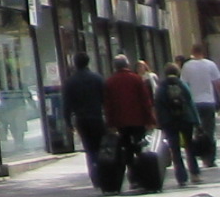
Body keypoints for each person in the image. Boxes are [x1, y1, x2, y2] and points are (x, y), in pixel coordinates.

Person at [103, 54, 156, 183]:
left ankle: (132, 175)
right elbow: (145, 101)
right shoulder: (136, 79)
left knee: (127, 148)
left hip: (120, 121)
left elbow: (108, 105)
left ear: (114, 67)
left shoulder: (110, 82)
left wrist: (110, 123)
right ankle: (142, 174)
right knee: (140, 146)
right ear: (127, 65)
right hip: (138, 120)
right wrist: (150, 119)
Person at [63, 51, 109, 179]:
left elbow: (67, 104)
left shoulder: (70, 82)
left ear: (75, 64)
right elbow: (106, 99)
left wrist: (68, 122)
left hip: (81, 119)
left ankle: (94, 174)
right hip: (97, 117)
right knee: (100, 146)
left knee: (89, 148)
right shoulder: (97, 78)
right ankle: (103, 173)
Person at [157, 63, 202, 186]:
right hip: (186, 119)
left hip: (169, 121)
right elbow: (190, 102)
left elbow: (159, 106)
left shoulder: (161, 87)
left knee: (175, 150)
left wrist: (160, 123)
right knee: (189, 146)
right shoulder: (182, 84)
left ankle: (181, 177)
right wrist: (197, 122)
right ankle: (195, 173)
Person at [183, 46, 220, 162]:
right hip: (208, 101)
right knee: (210, 130)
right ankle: (210, 157)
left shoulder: (187, 66)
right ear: (203, 52)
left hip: (194, 103)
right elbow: (218, 83)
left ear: (192, 52)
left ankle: (200, 154)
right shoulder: (210, 64)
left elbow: (184, 84)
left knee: (197, 131)